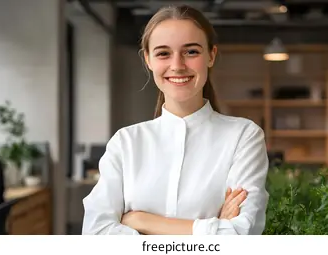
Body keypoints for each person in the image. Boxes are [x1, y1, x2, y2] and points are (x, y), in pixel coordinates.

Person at [82, 5, 269, 235]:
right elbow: (96, 234)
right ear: (148, 59)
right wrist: (212, 229)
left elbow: (241, 236)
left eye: (191, 52)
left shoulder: (243, 137)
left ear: (211, 55)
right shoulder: (125, 143)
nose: (177, 65)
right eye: (163, 53)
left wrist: (141, 221)